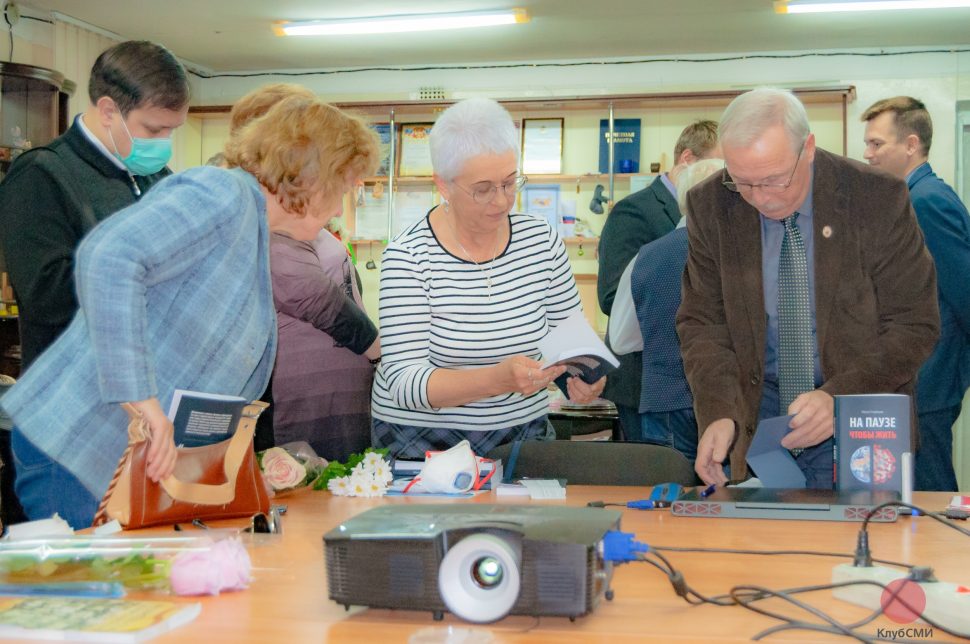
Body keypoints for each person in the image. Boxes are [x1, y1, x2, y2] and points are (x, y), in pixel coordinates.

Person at [0, 95, 380, 528]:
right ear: (309, 175)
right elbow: (108, 258)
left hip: (133, 462)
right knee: (94, 593)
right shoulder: (221, 192)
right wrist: (143, 401)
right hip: (79, 446)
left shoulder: (255, 228)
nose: (338, 208)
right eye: (342, 188)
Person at [676, 87, 939, 488]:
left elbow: (914, 324)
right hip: (761, 422)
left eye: (774, 180)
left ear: (809, 148)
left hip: (861, 416)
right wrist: (718, 411)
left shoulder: (877, 197)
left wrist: (837, 397)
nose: (759, 198)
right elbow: (703, 324)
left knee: (865, 543)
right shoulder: (711, 205)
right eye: (742, 182)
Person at [0, 40, 189, 527]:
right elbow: (46, 293)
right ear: (108, 110)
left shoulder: (156, 178)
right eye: (154, 128)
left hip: (142, 416)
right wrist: (139, 276)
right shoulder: (42, 174)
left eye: (172, 129)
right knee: (80, 580)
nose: (164, 141)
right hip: (70, 418)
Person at [371, 97, 604, 458]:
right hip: (423, 438)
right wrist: (497, 380)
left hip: (522, 428)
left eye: (511, 183)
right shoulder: (408, 257)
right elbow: (405, 383)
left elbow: (568, 333)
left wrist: (581, 374)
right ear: (444, 186)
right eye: (483, 189)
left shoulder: (541, 240)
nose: (502, 201)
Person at [227, 84, 382, 462]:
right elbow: (309, 292)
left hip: (330, 399)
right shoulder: (244, 214)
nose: (337, 208)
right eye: (340, 187)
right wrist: (378, 349)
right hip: (289, 407)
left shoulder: (284, 216)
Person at [862, 96, 970, 491]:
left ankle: (945, 556)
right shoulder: (912, 197)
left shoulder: (925, 202)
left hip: (929, 374)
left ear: (910, 144)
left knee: (929, 490)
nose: (867, 153)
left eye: (877, 144)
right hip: (922, 373)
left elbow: (963, 290)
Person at [597, 120, 720, 439]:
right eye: (722, 164)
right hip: (645, 387)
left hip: (703, 386)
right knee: (658, 480)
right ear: (689, 160)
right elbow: (612, 296)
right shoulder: (632, 211)